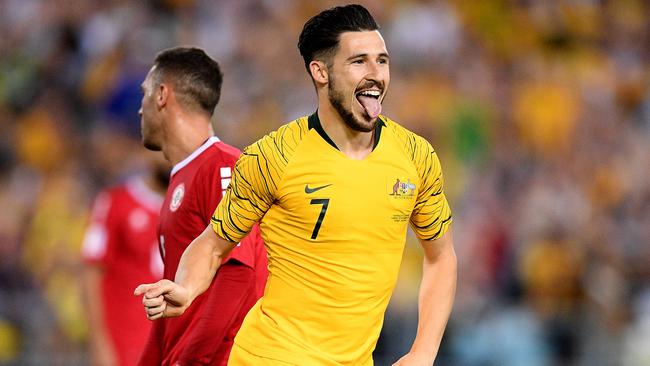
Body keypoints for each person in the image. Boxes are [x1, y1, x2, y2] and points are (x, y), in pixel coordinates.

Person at [136, 5, 456, 366]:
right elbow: (213, 243)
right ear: (320, 72)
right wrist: (186, 288)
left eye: (382, 61)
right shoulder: (273, 156)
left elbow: (441, 257)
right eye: (359, 62)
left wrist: (424, 351)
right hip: (271, 356)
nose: (376, 74)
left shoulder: (415, 156)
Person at [134, 47, 268, 366]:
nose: (140, 109)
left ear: (162, 95)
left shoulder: (224, 166)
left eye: (144, 94)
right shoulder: (182, 178)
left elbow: (241, 273)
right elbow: (172, 315)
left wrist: (192, 360)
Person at [82, 152, 169, 366]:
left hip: (170, 344)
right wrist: (100, 344)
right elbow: (91, 273)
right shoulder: (115, 202)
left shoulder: (189, 207)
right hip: (125, 343)